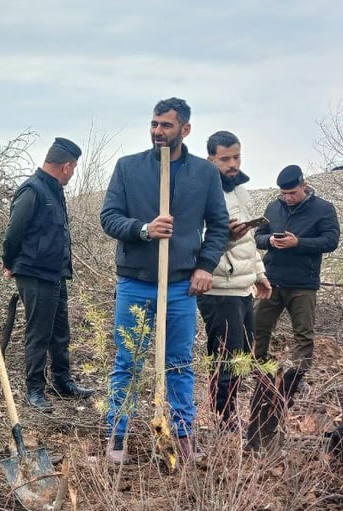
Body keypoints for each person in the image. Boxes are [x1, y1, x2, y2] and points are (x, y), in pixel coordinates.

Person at [99, 97, 230, 464]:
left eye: (166, 126)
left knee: (178, 362)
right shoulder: (129, 168)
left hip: (179, 285)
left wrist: (205, 266)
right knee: (128, 360)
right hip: (135, 281)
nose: (158, 131)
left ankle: (184, 437)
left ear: (184, 129)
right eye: (155, 124)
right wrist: (143, 229)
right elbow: (108, 217)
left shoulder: (204, 175)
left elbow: (218, 225)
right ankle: (118, 436)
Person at [2, 137, 96, 411]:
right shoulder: (32, 190)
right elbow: (13, 233)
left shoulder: (55, 189)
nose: (73, 174)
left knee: (59, 332)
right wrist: (9, 263)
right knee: (38, 333)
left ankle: (62, 381)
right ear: (67, 166)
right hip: (35, 274)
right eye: (74, 168)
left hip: (56, 274)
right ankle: (34, 389)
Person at [198, 131, 272, 430]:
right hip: (218, 288)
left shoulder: (241, 191)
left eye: (236, 157)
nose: (232, 164)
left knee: (243, 356)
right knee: (226, 358)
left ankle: (227, 415)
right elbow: (197, 241)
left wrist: (260, 275)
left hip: (243, 287)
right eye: (225, 158)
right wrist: (225, 237)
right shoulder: (202, 193)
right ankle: (223, 419)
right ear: (210, 160)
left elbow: (249, 241)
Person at [252, 165, 340, 408]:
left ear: (304, 185)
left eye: (292, 193)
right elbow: (258, 236)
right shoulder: (273, 207)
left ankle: (295, 379)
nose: (288, 198)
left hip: (303, 283)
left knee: (303, 334)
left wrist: (298, 243)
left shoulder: (323, 209)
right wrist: (268, 240)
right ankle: (262, 373)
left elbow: (331, 241)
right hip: (272, 279)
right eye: (284, 194)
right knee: (258, 327)